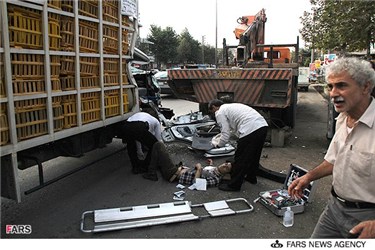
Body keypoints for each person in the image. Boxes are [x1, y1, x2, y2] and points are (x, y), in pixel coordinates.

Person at [288, 57, 375, 239]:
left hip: (367, 219)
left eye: (341, 86)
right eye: (330, 86)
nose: (333, 93)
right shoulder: (343, 118)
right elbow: (335, 159)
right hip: (334, 209)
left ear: (365, 87)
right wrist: (308, 177)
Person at [208, 100, 268, 191]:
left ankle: (234, 185)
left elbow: (225, 134)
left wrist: (218, 145)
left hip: (250, 128)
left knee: (240, 158)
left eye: (212, 111)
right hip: (262, 126)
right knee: (254, 156)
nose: (213, 114)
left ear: (214, 107)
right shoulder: (231, 106)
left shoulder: (219, 112)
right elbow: (233, 128)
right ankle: (251, 177)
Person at [143, 141, 231, 187]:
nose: (224, 165)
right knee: (159, 156)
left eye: (226, 168)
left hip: (173, 173)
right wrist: (211, 164)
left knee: (159, 145)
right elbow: (209, 172)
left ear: (226, 174)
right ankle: (153, 167)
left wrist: (199, 169)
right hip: (177, 168)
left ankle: (151, 173)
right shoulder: (215, 170)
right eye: (226, 164)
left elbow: (197, 184)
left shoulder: (216, 180)